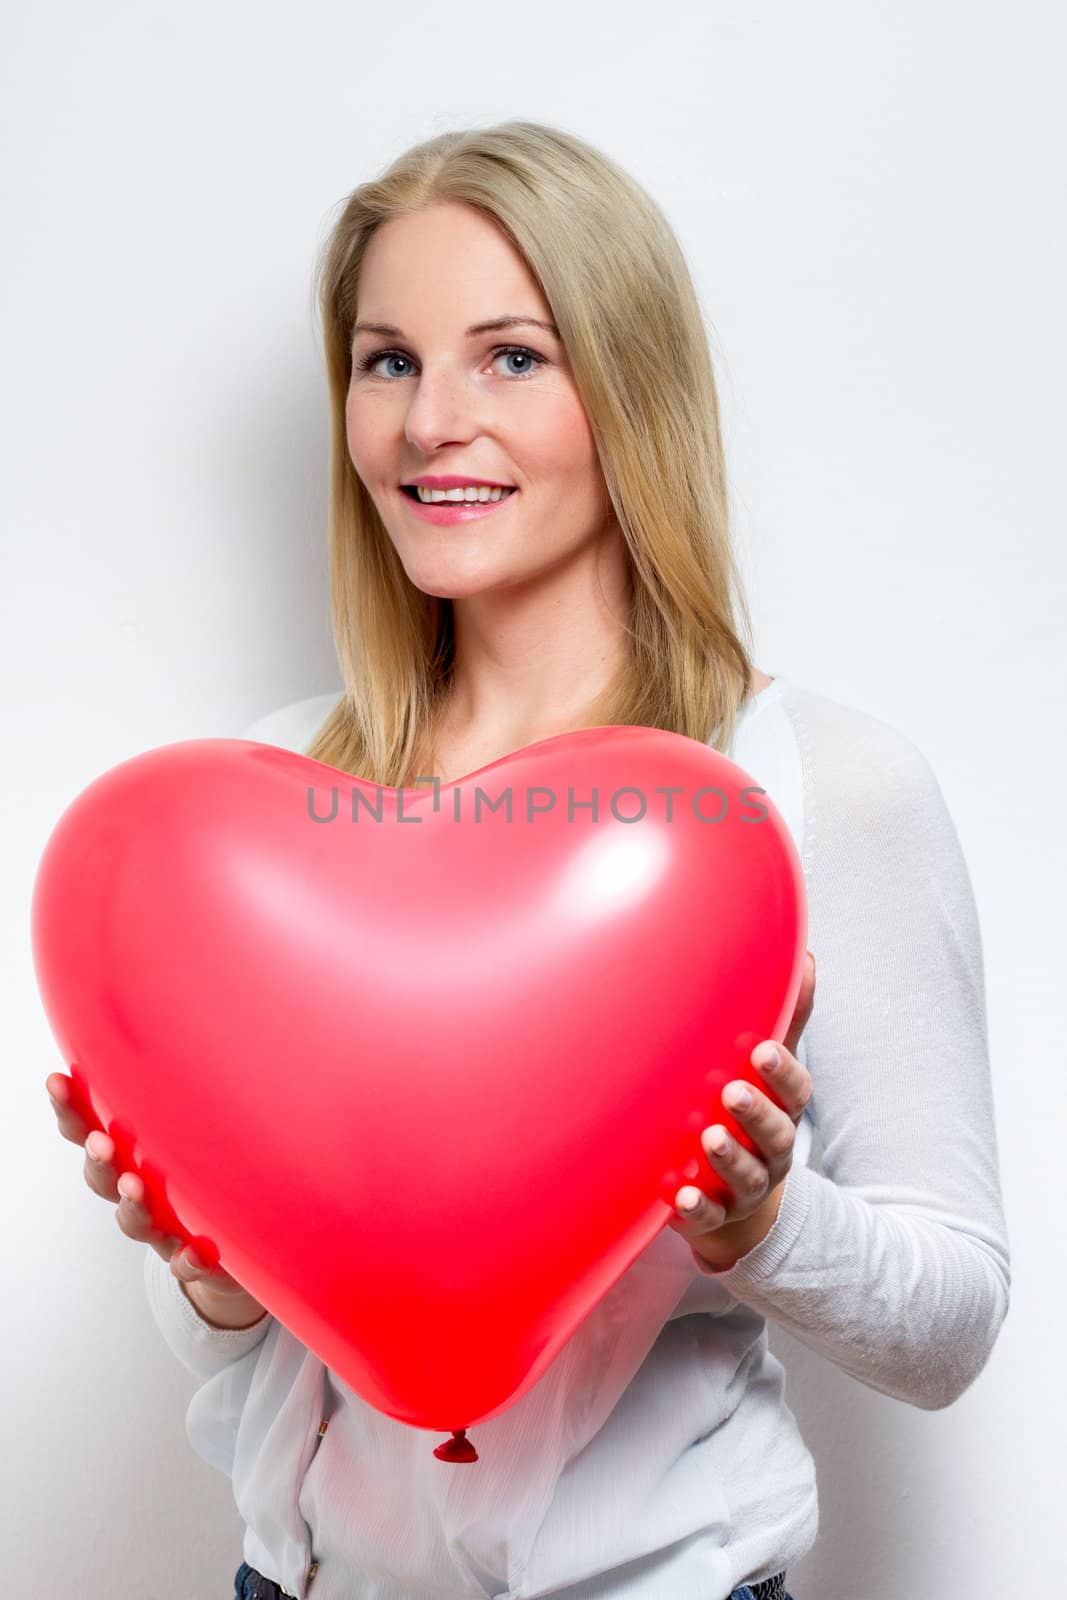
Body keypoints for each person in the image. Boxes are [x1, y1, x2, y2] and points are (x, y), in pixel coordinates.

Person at [46, 120, 1011, 1600]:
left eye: (510, 357)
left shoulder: (814, 789)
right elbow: (274, 1342)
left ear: (627, 389)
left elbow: (952, 1329)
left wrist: (763, 1221)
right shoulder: (265, 804)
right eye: (386, 361)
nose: (432, 421)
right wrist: (211, 1274)